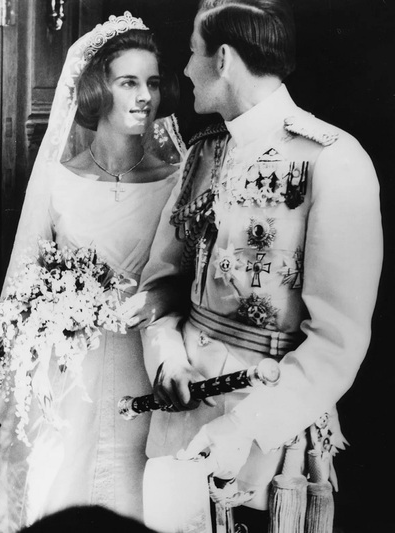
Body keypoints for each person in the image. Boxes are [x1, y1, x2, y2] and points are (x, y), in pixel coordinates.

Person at [138, 0, 383, 531]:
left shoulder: (333, 160)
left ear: (223, 58)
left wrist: (242, 429)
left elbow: (338, 341)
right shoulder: (202, 153)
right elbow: (161, 284)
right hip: (176, 428)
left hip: (263, 444)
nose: (186, 69)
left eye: (192, 52)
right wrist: (166, 358)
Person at [0, 11, 185, 533]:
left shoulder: (176, 180)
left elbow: (188, 280)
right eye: (129, 83)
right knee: (64, 488)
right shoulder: (59, 180)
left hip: (144, 366)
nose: (144, 97)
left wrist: (154, 301)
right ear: (99, 90)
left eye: (152, 83)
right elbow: (22, 288)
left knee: (137, 495)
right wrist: (55, 312)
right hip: (69, 377)